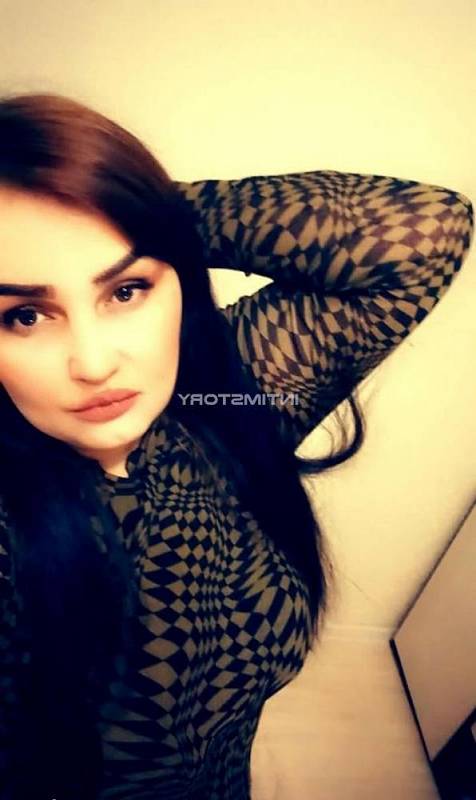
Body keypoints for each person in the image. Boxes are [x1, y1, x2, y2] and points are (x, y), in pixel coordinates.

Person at [0, 93, 472, 800]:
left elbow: (426, 231)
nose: (94, 363)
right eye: (25, 315)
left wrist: (139, 210)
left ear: (176, 284)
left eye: (126, 289)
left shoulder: (220, 402)